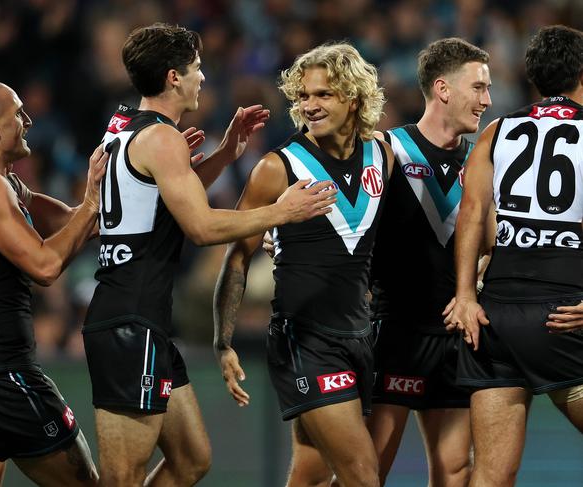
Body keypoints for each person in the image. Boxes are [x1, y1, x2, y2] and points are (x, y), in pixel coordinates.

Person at [81, 23, 337, 487]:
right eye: (197, 69)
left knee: (192, 459)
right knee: (121, 479)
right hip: (129, 321)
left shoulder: (125, 126)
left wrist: (223, 155)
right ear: (174, 77)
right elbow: (199, 226)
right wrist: (281, 212)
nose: (203, 77)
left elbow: (160, 205)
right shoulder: (161, 139)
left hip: (141, 318)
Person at [262, 38, 493, 487]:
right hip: (392, 331)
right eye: (478, 87)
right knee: (364, 470)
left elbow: (490, 240)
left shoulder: (481, 158)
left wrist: (480, 277)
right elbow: (341, 218)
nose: (487, 99)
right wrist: (281, 236)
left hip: (453, 334)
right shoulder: (386, 150)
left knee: (456, 469)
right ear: (443, 89)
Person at [214, 42, 392, 487]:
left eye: (323, 95)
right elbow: (237, 255)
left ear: (354, 96)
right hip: (305, 340)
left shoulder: (382, 156)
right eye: (304, 96)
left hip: (359, 334)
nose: (309, 106)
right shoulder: (277, 167)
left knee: (310, 475)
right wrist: (223, 341)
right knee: (363, 474)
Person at [0, 81, 106, 486]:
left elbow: (69, 221)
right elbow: (45, 267)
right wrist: (94, 202)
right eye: (18, 114)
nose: (28, 122)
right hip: (2, 376)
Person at [445, 25, 583, 487]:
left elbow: (471, 212)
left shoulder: (497, 132)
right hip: (565, 312)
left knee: (491, 476)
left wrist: (465, 294)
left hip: (496, 316)